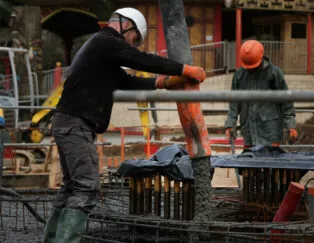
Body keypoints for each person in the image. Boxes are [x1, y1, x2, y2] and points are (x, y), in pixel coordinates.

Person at [43, 7, 206, 243]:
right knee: (86, 188)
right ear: (125, 25)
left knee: (72, 188)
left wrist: (162, 83)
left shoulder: (100, 50)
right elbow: (140, 60)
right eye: (135, 38)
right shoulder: (105, 42)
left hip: (69, 123)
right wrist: (183, 69)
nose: (134, 43)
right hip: (75, 124)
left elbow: (126, 81)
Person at [225, 40, 298, 150]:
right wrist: (230, 124)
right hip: (249, 129)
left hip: (270, 130)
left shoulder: (274, 74)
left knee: (271, 162)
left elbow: (286, 101)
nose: (250, 68)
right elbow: (234, 103)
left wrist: (291, 125)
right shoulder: (239, 76)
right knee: (250, 162)